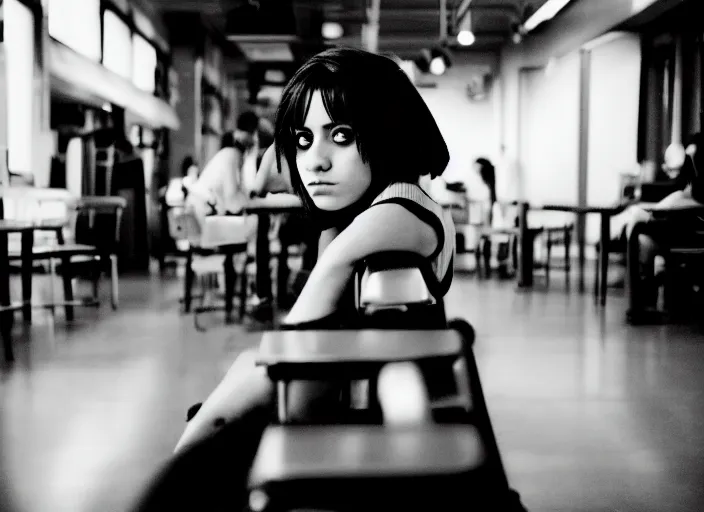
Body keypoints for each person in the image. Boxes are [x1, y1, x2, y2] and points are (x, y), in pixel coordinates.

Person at [130, 47, 466, 511]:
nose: (315, 162)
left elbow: (293, 347)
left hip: (360, 446)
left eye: (342, 135)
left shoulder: (387, 218)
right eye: (304, 139)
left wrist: (200, 432)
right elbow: (274, 169)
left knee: (184, 478)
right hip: (353, 408)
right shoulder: (397, 199)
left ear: (387, 129)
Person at [626, 132, 704, 323]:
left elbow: (694, 198)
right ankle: (642, 303)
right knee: (641, 235)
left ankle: (642, 304)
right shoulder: (690, 173)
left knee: (640, 228)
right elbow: (683, 191)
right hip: (683, 220)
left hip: (691, 226)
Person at [184, 112, 259, 230]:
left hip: (200, 210)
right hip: (202, 213)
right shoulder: (232, 156)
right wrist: (252, 203)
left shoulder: (229, 155)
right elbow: (232, 200)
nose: (255, 141)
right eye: (254, 134)